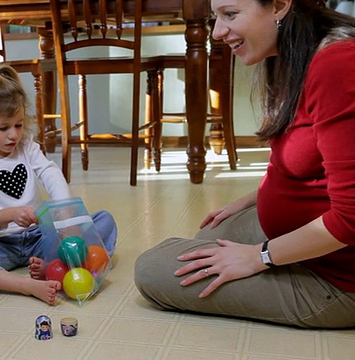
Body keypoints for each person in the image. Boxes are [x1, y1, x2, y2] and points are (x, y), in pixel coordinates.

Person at [134, 0, 355, 328]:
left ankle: (289, 269)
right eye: (215, 17)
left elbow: (350, 220)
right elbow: (299, 159)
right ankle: (280, 258)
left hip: (338, 279)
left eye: (230, 14)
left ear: (279, 6)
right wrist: (252, 199)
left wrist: (259, 257)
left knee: (151, 270)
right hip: (299, 235)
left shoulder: (336, 64)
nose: (218, 32)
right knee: (212, 234)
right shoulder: (291, 51)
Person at [0, 64, 117, 305]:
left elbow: (49, 172)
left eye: (19, 125)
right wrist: (9, 215)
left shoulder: (27, 146)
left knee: (103, 220)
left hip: (39, 238)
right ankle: (24, 284)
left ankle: (52, 265)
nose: (13, 135)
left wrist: (65, 213)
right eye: (3, 128)